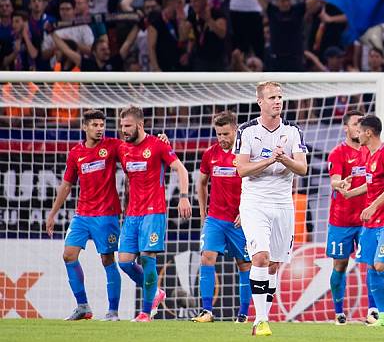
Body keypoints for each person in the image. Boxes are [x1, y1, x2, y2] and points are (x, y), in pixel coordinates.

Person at [235, 81, 308, 337]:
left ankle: (262, 319)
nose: (277, 101)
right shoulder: (246, 131)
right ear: (260, 102)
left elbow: (302, 168)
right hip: (255, 202)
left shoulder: (293, 131)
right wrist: (269, 160)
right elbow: (241, 169)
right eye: (272, 97)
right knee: (260, 258)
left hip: (283, 204)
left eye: (280, 97)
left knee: (274, 264)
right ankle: (261, 320)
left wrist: (284, 158)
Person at [45, 110, 122, 322]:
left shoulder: (113, 145)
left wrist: (159, 139)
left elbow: (136, 145)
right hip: (82, 214)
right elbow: (67, 185)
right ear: (85, 127)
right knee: (68, 255)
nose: (99, 128)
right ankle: (83, 306)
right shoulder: (75, 153)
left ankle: (113, 311)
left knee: (107, 259)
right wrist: (52, 214)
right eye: (95, 125)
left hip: (106, 214)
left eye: (102, 125)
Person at [336, 115, 384, 328]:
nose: (357, 134)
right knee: (370, 267)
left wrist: (372, 206)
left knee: (380, 264)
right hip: (371, 222)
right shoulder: (369, 156)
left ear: (368, 132)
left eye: (359, 131)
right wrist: (351, 194)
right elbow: (372, 185)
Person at [117, 105, 191, 322]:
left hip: (154, 212)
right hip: (132, 214)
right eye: (122, 126)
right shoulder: (122, 148)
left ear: (140, 125)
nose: (124, 130)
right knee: (124, 262)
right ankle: (155, 292)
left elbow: (181, 169)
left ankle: (145, 312)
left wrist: (184, 196)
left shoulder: (158, 145)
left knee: (148, 259)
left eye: (128, 126)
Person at [193, 111, 252, 324]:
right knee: (206, 257)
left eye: (226, 133)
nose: (222, 138)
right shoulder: (210, 153)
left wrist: (246, 211)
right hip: (216, 218)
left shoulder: (246, 154)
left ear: (236, 130)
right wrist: (202, 211)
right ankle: (206, 311)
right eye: (218, 134)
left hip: (240, 220)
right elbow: (201, 182)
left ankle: (243, 314)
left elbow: (256, 186)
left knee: (244, 264)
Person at [325, 110, 377, 325]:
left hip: (366, 219)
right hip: (341, 220)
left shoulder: (370, 152)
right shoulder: (338, 153)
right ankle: (339, 312)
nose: (359, 127)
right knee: (340, 265)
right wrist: (340, 183)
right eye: (355, 123)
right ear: (346, 127)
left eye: (361, 123)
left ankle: (373, 311)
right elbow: (334, 180)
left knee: (372, 264)